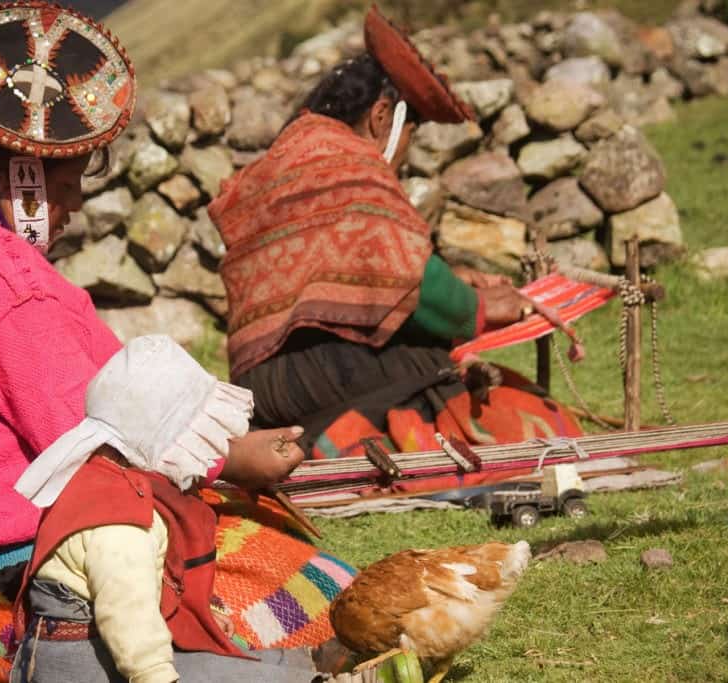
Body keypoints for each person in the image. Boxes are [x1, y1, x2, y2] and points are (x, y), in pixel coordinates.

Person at [0, 5, 349, 681]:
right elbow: (102, 436)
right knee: (296, 575)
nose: (77, 203)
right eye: (69, 180)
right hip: (7, 559)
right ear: (21, 175)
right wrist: (227, 460)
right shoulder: (2, 279)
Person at [208, 7, 582, 469]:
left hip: (260, 393)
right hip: (318, 378)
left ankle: (319, 437)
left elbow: (354, 269)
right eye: (411, 132)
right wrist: (483, 306)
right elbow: (410, 283)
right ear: (382, 115)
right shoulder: (351, 164)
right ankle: (347, 436)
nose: (405, 152)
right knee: (450, 377)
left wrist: (454, 275)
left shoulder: (285, 159)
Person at [10, 335, 323, 683]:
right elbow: (129, 621)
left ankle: (308, 663)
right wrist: (158, 676)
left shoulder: (104, 477)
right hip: (81, 667)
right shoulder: (121, 526)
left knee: (249, 665)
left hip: (104, 647)